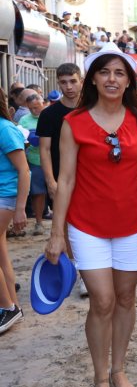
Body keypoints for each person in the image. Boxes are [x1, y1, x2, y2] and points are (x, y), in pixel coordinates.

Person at [44, 43, 137, 387]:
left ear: (128, 81)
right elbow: (67, 178)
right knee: (103, 300)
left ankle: (118, 370)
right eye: (105, 72)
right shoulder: (73, 122)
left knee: (126, 298)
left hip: (131, 223)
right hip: (87, 225)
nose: (112, 79)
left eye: (120, 73)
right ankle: (100, 381)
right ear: (93, 78)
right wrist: (57, 233)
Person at [38, 64, 83, 291]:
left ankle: (84, 269)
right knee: (64, 223)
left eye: (73, 81)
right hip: (60, 175)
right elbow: (44, 150)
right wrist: (50, 181)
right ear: (58, 83)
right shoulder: (49, 114)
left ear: (81, 80)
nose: (69, 86)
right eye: (64, 82)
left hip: (88, 176)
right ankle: (74, 268)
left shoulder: (91, 109)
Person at [0, 87, 29, 334]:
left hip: (5, 197)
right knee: (1, 253)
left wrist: (21, 209)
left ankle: (8, 308)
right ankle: (12, 306)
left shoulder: (5, 128)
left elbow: (24, 171)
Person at [17, 93, 46, 235]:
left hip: (54, 158)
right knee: (38, 192)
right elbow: (20, 141)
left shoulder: (49, 115)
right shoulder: (24, 120)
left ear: (43, 103)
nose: (35, 110)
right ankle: (39, 223)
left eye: (37, 107)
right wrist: (28, 141)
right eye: (32, 108)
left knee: (59, 191)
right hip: (35, 160)